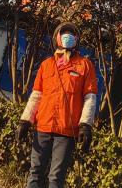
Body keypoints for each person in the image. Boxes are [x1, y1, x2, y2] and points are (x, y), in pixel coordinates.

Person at [17, 21, 98, 188]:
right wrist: (25, 121)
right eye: (64, 33)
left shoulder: (84, 65)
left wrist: (85, 125)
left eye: (72, 34)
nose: (68, 36)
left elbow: (90, 97)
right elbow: (36, 95)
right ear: (57, 38)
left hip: (66, 131)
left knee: (56, 177)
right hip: (43, 127)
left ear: (77, 39)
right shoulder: (46, 65)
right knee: (35, 172)